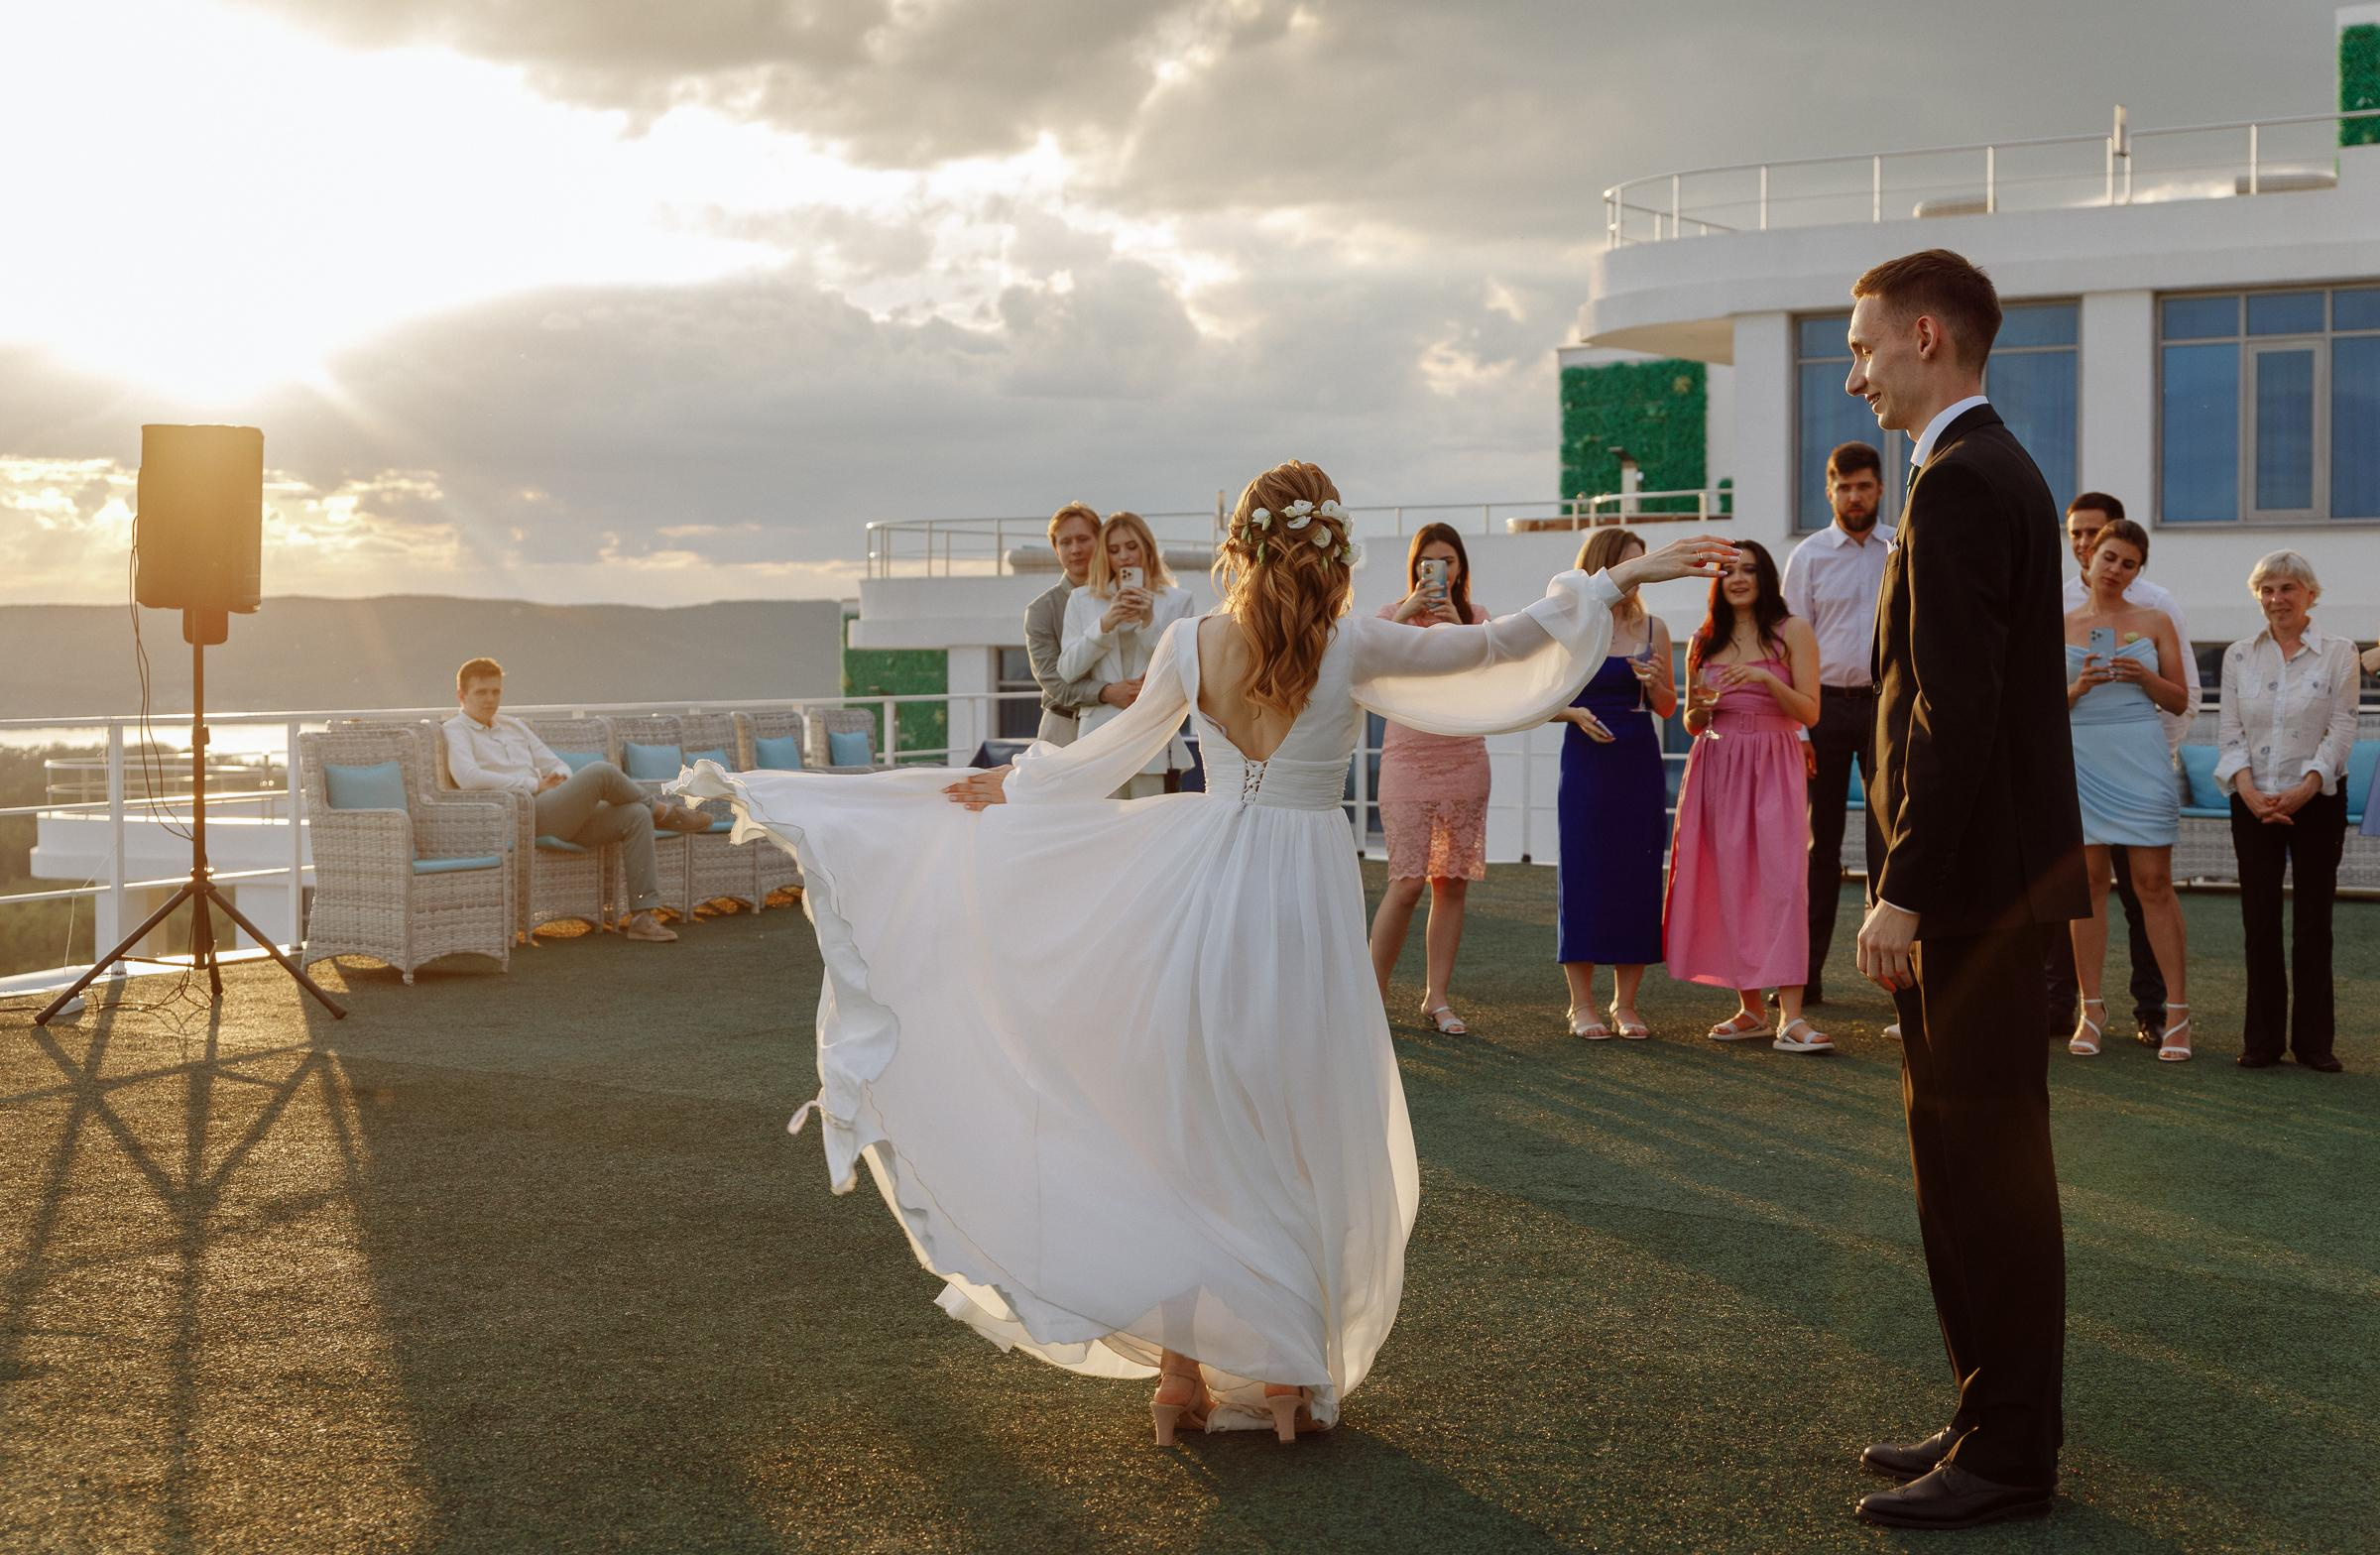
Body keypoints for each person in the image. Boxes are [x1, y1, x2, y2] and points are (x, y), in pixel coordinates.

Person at [676, 460, 1730, 1445]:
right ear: (1328, 547)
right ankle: (1281, 1380)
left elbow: (1100, 759)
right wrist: (1619, 576)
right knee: (1290, 1117)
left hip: (1200, 886)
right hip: (1303, 898)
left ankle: (1181, 1374)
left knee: (1190, 1117)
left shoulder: (1191, 645)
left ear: (1240, 545)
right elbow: (1501, 645)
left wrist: (1012, 785)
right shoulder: (1354, 643)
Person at [1848, 249, 2088, 1530]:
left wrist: (1906, 890)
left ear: (1926, 336)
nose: (1855, 373)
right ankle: (1989, 1413)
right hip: (1986, 892)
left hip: (1974, 900)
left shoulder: (1962, 485)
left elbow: (1957, 712)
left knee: (1986, 1171)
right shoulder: (1979, 474)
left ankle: (2008, 1452)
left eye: (1865, 346)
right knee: (1963, 1165)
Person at [1664, 540, 1830, 1052]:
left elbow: (1810, 712)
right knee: (1731, 882)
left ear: (1765, 578)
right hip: (1718, 762)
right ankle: (1751, 1008)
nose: (1739, 579)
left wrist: (1761, 677)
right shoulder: (1703, 641)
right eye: (1729, 571)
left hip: (1774, 761)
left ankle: (1792, 1017)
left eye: (1750, 570)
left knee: (1783, 883)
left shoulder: (1792, 631)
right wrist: (1702, 710)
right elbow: (1692, 721)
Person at [2040, 491, 2193, 1044]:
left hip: (2141, 755)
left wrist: (2143, 679)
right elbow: (2035, 709)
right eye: (2109, 557)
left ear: (2137, 571)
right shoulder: (2054, 621)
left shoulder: (2155, 619)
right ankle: (2092, 1009)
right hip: (2082, 760)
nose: (2116, 569)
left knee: (2153, 884)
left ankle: (2176, 1013)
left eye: (2128, 564)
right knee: (2087, 884)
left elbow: (2179, 699)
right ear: (2090, 554)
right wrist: (2077, 688)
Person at [441, 658, 710, 944]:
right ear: (462, 696)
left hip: (556, 807)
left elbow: (556, 763)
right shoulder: (454, 730)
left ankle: (643, 917)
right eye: (481, 692)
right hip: (523, 814)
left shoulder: (514, 726)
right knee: (601, 772)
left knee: (635, 815)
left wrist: (560, 780)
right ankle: (664, 812)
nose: (490, 699)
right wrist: (534, 784)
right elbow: (469, 777)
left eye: (495, 691)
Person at [2218, 550, 2357, 1073]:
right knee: (2259, 922)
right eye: (2268, 590)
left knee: (2313, 922)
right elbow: (2229, 732)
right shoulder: (2237, 655)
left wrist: (2308, 787)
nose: (2277, 600)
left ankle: (2314, 1043)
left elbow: (2342, 728)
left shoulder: (2339, 653)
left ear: (2310, 595)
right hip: (2252, 802)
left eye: (2287, 589)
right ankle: (2262, 1041)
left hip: (2317, 803)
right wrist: (2250, 792)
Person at [1780, 440, 1894, 1009]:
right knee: (1816, 849)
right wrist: (1798, 730)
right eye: (1844, 487)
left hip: (1883, 706)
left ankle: (1899, 983)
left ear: (1879, 489)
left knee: (1890, 843)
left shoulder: (1900, 547)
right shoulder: (1808, 558)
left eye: (1864, 486)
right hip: (1819, 709)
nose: (1854, 496)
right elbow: (1786, 649)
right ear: (1830, 491)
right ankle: (1804, 976)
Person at [1368, 524, 1491, 1035]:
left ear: (1460, 566)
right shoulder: (1386, 617)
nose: (1438, 569)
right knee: (1407, 882)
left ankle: (1436, 998)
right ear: (1415, 566)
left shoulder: (1479, 619)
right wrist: (1407, 612)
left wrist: (1458, 623)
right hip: (1407, 758)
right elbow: (1374, 661)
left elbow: (1488, 676)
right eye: (1428, 561)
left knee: (1452, 883)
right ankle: (1371, 997)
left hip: (1465, 754)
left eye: (1448, 560)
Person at [1553, 528, 1674, 1040]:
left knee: (1636, 874)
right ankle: (1580, 1004)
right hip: (1585, 761)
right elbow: (1538, 698)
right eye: (1629, 564)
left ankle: (1626, 1004)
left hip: (1638, 760)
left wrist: (1656, 683)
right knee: (1582, 875)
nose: (1639, 574)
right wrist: (1574, 714)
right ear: (1603, 568)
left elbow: (1668, 707)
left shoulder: (1654, 626)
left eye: (1642, 564)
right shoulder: (1572, 625)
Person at [1056, 511, 1196, 797]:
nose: (1124, 556)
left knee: (1151, 830)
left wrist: (1148, 622)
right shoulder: (1082, 599)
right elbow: (1068, 669)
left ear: (1147, 547)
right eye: (1114, 549)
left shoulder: (1178, 600)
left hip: (1152, 735)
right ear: (1104, 555)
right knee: (1101, 828)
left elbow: (1181, 669)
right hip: (1099, 737)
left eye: (1131, 546)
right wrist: (1104, 625)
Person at [1024, 502, 1135, 745]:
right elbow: (1054, 681)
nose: (1075, 549)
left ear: (1100, 541)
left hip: (1124, 721)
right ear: (1055, 549)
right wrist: (1106, 692)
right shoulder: (1041, 610)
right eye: (1065, 542)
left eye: (1083, 539)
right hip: (1064, 727)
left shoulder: (1130, 596)